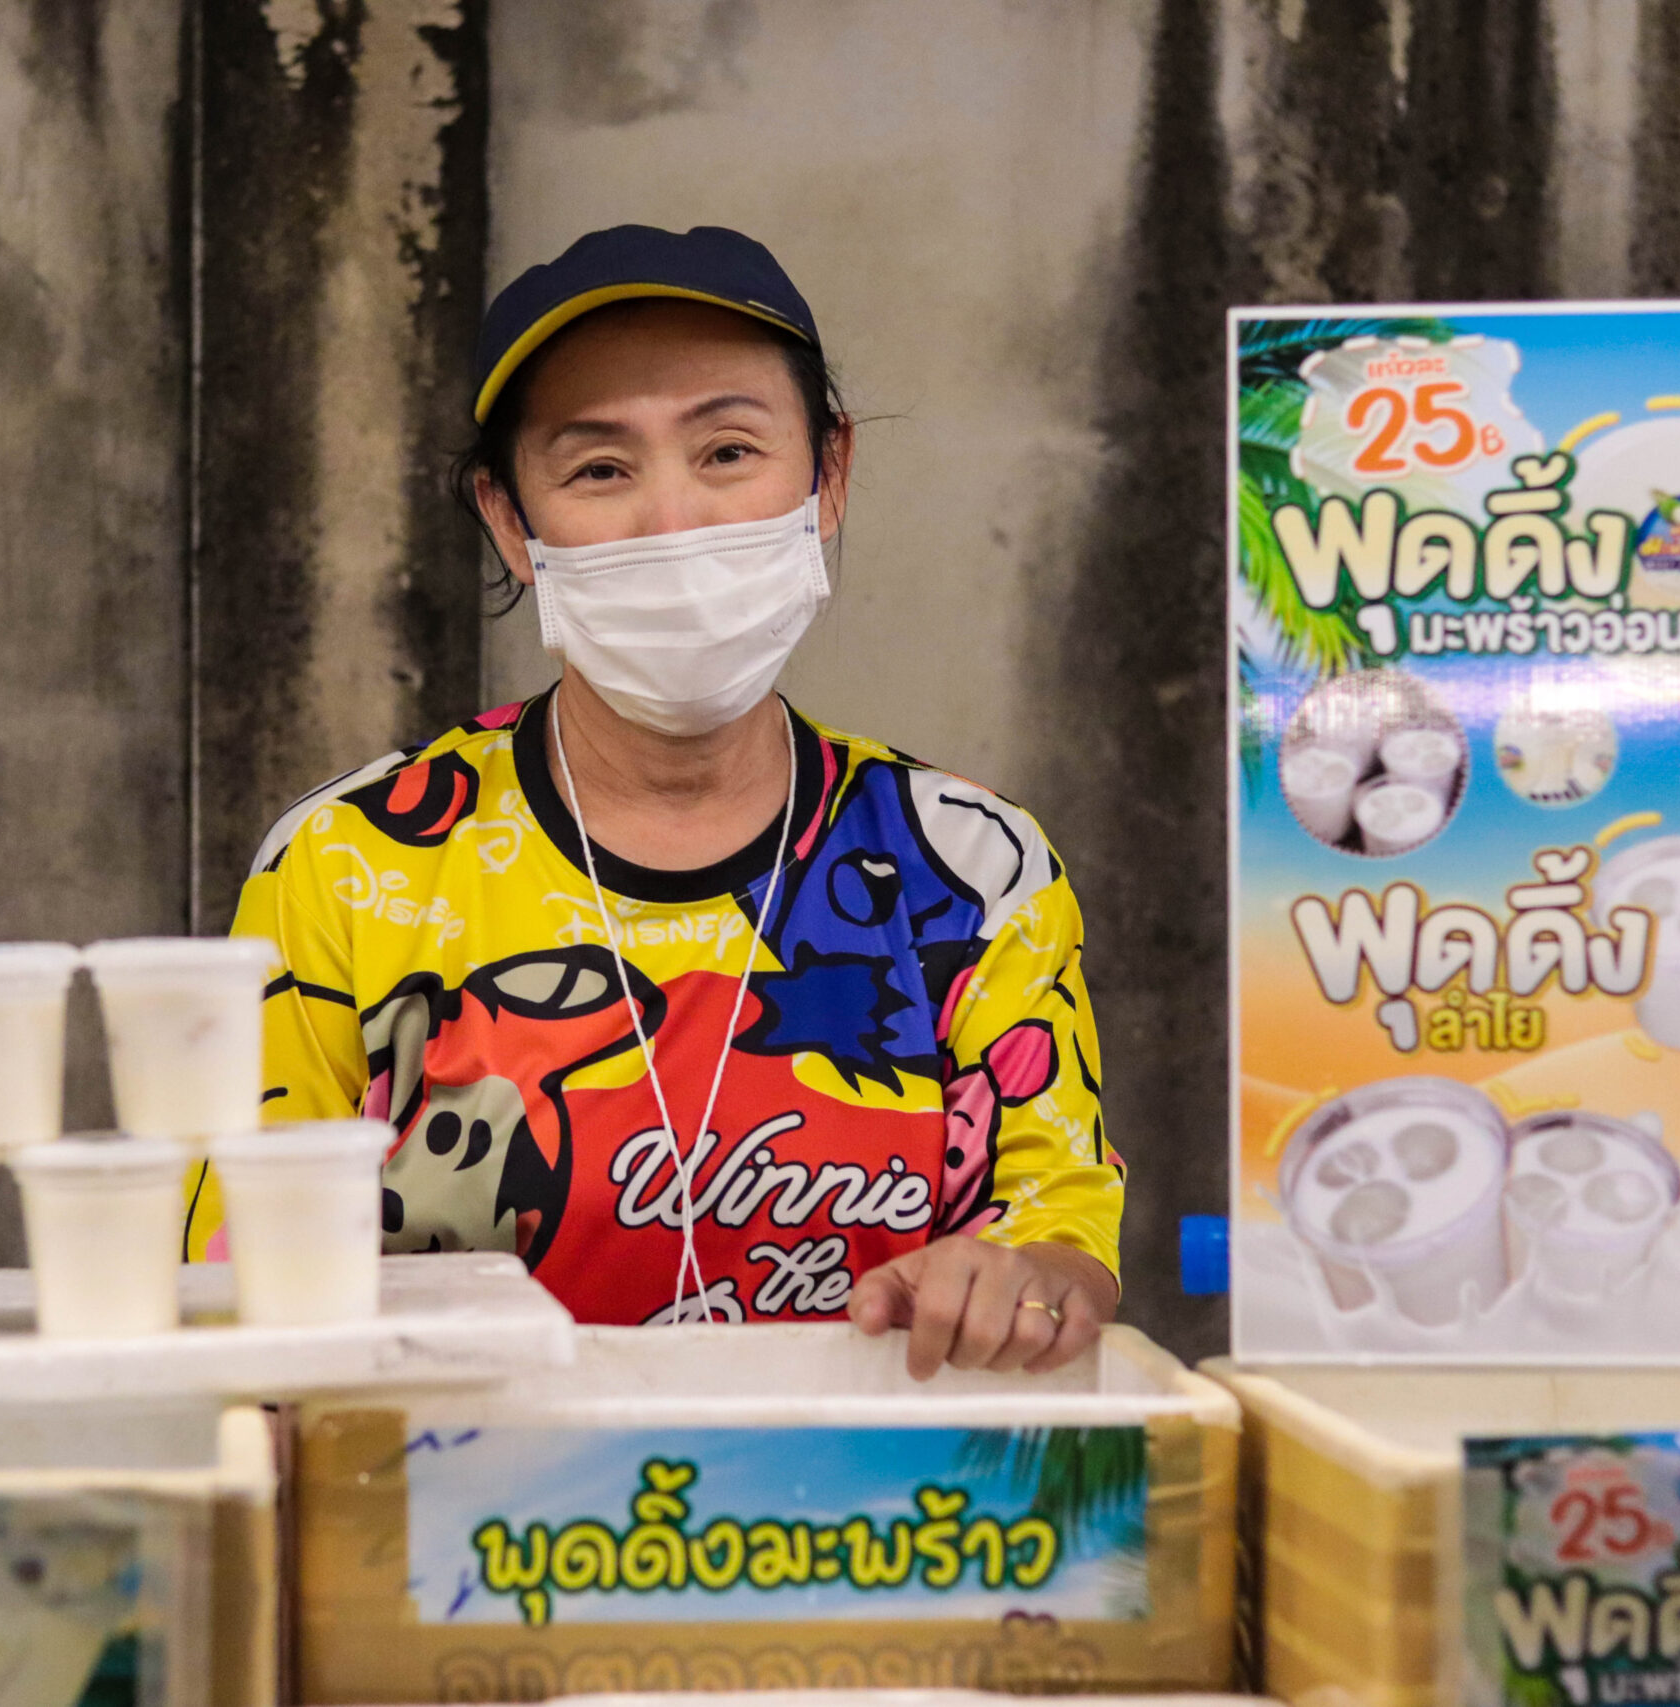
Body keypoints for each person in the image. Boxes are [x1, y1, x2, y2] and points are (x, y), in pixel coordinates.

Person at [193, 225, 1119, 1377]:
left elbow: (1058, 1222)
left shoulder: (966, 871)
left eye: (728, 451)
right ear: (509, 521)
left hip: (876, 1490)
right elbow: (231, 1277)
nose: (673, 519)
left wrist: (1029, 1281)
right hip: (458, 1488)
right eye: (599, 469)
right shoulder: (351, 862)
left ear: (827, 477)